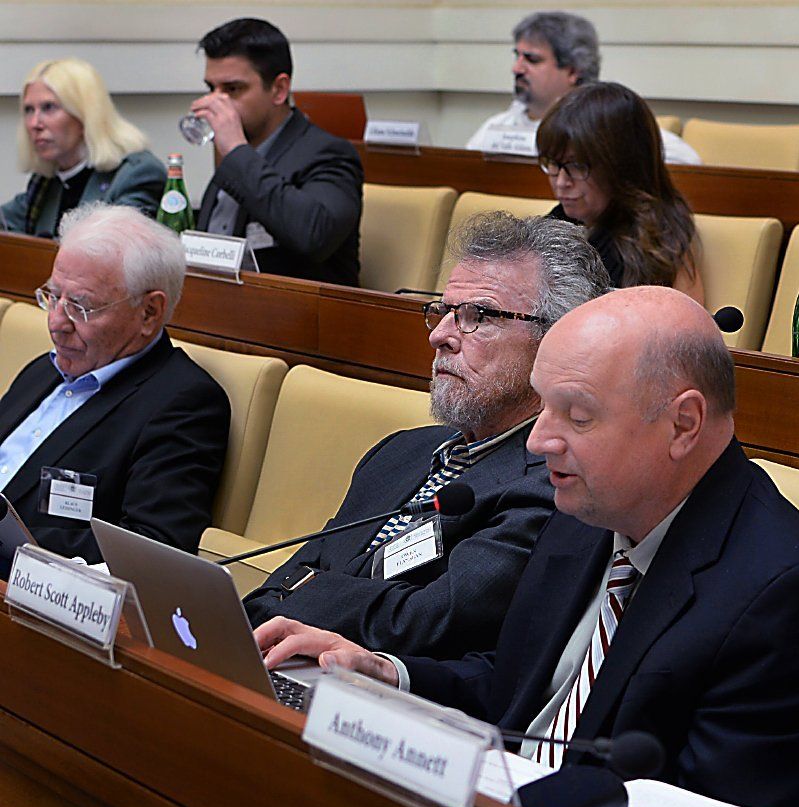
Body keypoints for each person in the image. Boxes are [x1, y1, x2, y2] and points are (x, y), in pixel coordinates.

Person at [256, 286, 799, 807]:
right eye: (542, 405)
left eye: (576, 415)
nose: (537, 440)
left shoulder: (790, 600)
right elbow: (515, 687)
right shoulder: (588, 513)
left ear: (684, 423)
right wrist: (389, 674)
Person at [243, 213, 610, 655]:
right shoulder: (400, 451)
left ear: (556, 339)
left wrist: (307, 596)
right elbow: (289, 578)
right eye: (442, 312)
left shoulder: (552, 482)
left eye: (477, 316)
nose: (440, 336)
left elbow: (434, 621)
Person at [0, 204, 230, 573]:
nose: (57, 323)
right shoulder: (44, 371)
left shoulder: (183, 401)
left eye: (81, 306)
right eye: (53, 296)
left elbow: (152, 547)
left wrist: (14, 546)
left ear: (149, 313)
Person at [191, 18, 363, 286]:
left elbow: (314, 236)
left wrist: (236, 150)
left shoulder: (329, 154)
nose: (215, 102)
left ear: (279, 90)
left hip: (299, 317)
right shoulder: (235, 151)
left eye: (233, 89)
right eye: (211, 89)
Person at [538, 82, 703, 304]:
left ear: (621, 167)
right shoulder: (558, 223)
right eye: (552, 164)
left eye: (577, 166)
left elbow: (688, 330)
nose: (561, 181)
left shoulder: (662, 240)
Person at [464, 11, 700, 166]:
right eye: (517, 56)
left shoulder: (606, 123)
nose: (517, 68)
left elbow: (688, 161)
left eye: (532, 60)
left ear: (573, 71)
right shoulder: (499, 125)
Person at [1, 58, 165, 238]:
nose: (34, 123)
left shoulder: (137, 174)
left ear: (84, 114)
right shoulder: (47, 181)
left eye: (48, 107)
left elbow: (114, 248)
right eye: (29, 110)